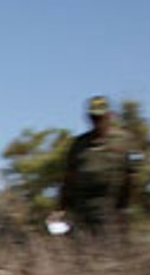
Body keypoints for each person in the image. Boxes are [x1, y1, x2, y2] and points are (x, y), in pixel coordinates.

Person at [56, 95, 135, 235]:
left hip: (109, 208)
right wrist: (61, 209)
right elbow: (68, 179)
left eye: (100, 117)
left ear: (109, 116)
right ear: (88, 117)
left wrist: (124, 208)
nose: (97, 121)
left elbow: (129, 177)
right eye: (94, 117)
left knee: (110, 252)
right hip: (82, 208)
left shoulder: (123, 141)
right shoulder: (79, 144)